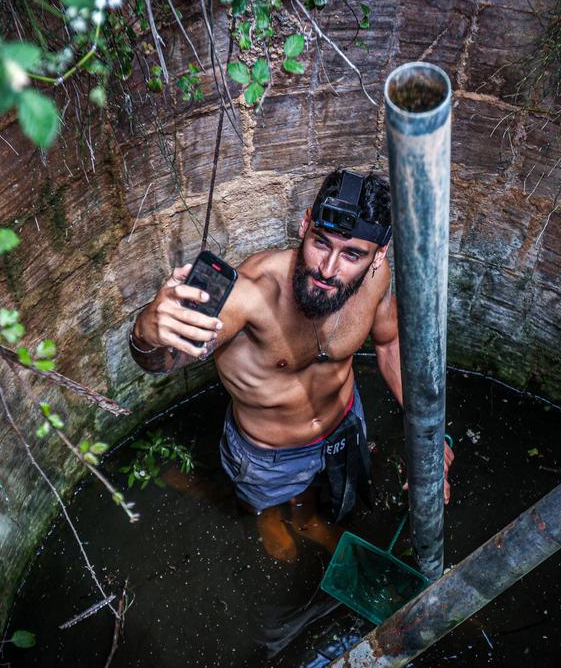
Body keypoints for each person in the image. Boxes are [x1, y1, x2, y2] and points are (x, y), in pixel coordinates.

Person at [128, 168, 453, 562]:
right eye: (321, 242)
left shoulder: (376, 277)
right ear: (305, 225)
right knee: (261, 506)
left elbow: (388, 342)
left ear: (377, 255)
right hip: (269, 456)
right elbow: (161, 360)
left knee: (337, 499)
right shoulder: (248, 295)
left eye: (352, 254)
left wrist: (426, 431)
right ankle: (268, 518)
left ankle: (304, 515)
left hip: (344, 425)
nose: (328, 269)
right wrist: (147, 328)